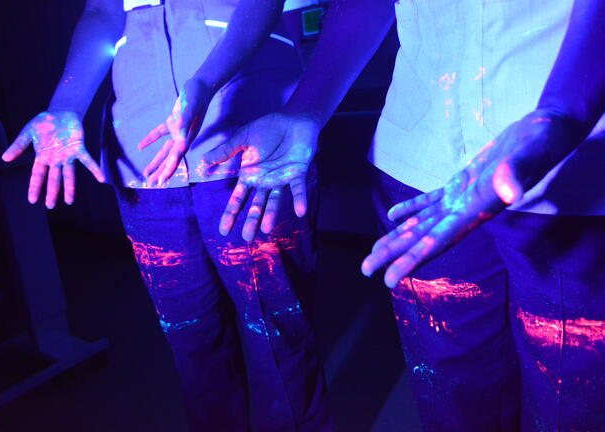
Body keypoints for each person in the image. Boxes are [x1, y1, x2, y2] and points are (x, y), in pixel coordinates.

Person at [201, 0, 605, 430]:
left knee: (574, 405)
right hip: (419, 161)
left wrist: (562, 109)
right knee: (452, 398)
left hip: (574, 170)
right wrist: (307, 108)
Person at [1, 0, 333, 430]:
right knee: (192, 341)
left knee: (278, 336)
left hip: (249, 143)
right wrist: (67, 102)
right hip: (146, 161)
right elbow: (102, 12)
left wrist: (207, 81)